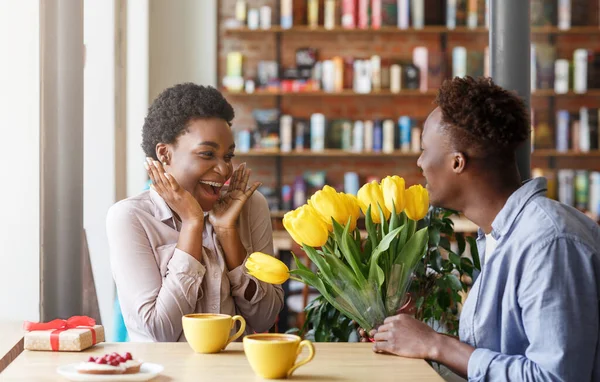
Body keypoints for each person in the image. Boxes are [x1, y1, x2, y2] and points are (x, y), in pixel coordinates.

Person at [367, 76, 600, 381]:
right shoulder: (499, 235)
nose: (420, 162)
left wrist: (436, 345)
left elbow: (554, 377)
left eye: (425, 149)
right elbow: (501, 355)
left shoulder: (549, 242)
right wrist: (417, 337)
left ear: (457, 162)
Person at [106, 83, 283, 342]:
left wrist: (227, 232)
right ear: (164, 153)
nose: (224, 170)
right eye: (207, 154)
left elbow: (264, 318)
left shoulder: (250, 206)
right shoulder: (130, 218)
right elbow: (160, 332)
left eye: (228, 156)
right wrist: (192, 224)